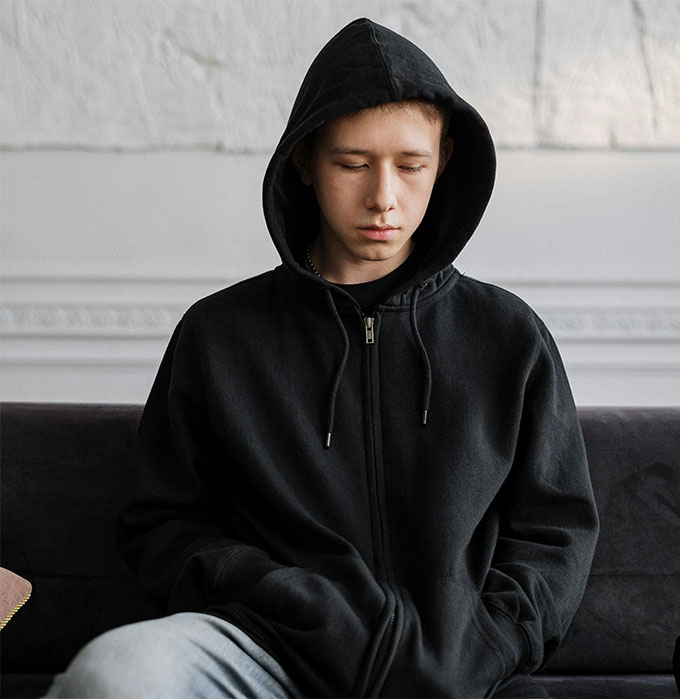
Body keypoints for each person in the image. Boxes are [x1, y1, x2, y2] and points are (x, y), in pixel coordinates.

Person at [48, 17, 599, 698]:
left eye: (410, 165)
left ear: (445, 158)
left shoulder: (510, 336)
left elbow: (554, 532)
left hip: (459, 671)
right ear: (305, 160)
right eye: (352, 164)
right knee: (116, 674)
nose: (383, 198)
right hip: (264, 646)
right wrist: (287, 597)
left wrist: (489, 641)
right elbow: (164, 524)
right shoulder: (218, 335)